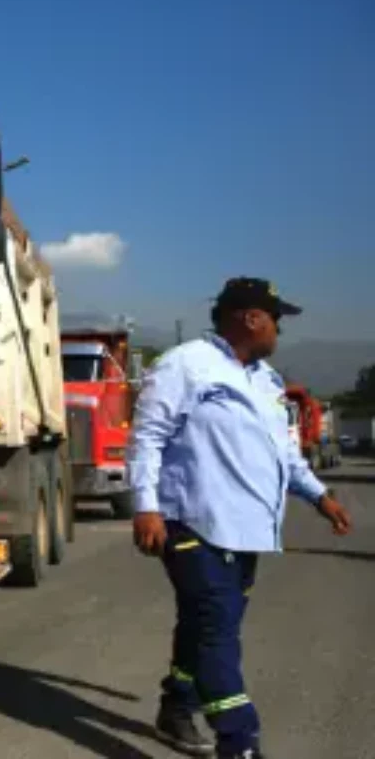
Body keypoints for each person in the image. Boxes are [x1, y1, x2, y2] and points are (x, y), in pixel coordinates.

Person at [126, 277, 352, 759]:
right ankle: (239, 741)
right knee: (216, 630)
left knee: (204, 625)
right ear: (251, 318)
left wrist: (320, 497)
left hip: (246, 529)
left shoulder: (267, 381)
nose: (279, 332)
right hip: (191, 522)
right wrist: (145, 505)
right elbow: (147, 437)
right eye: (276, 321)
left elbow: (286, 456)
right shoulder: (186, 366)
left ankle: (177, 704)